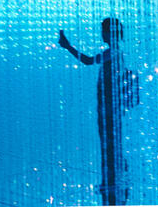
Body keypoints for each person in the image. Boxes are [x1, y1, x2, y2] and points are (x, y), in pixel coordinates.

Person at [59, 18, 138, 205]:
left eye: (103, 31)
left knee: (110, 140)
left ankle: (116, 178)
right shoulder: (117, 52)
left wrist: (67, 46)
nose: (101, 34)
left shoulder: (113, 52)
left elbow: (88, 61)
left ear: (110, 33)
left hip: (111, 106)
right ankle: (117, 176)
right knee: (111, 140)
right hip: (110, 105)